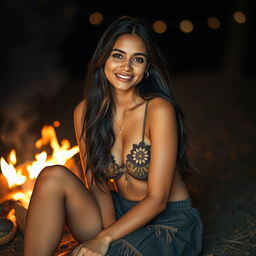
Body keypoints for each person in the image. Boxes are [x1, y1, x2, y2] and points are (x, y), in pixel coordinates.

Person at [24, 16, 203, 256]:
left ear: (147, 68)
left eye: (137, 59)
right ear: (103, 59)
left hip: (167, 221)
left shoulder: (158, 110)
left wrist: (104, 239)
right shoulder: (85, 112)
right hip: (118, 213)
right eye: (118, 55)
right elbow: (97, 185)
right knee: (52, 175)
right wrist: (107, 232)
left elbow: (158, 199)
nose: (126, 67)